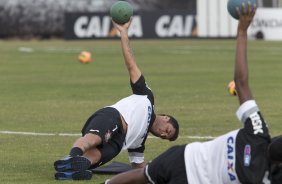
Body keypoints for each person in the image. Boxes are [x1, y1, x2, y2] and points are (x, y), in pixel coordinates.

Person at [103, 2, 282, 184]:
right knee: (146, 175)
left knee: (145, 175)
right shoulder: (261, 177)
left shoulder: (257, 132)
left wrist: (242, 31)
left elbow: (241, 83)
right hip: (188, 166)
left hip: (187, 157)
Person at [53, 18, 179, 180]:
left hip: (119, 140)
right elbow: (131, 65)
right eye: (167, 130)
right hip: (114, 117)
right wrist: (124, 33)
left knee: (107, 152)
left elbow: (139, 166)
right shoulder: (147, 97)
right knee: (95, 138)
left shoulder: (139, 143)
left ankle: (70, 170)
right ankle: (72, 158)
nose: (162, 134)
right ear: (166, 118)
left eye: (164, 137)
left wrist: (162, 170)